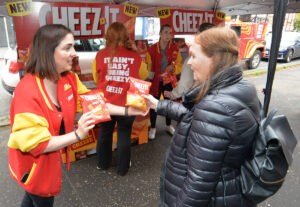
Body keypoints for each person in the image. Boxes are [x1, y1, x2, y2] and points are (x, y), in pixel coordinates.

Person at [7, 24, 146, 207]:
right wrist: (78, 135)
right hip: (34, 167)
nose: (75, 53)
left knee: (32, 198)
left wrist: (129, 111)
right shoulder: (27, 90)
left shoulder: (68, 78)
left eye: (73, 46)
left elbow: (95, 102)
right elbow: (38, 143)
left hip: (49, 161)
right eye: (67, 47)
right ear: (48, 52)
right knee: (41, 197)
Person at [144, 27, 261, 207]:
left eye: (194, 56)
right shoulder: (241, 86)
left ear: (214, 59)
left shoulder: (215, 107)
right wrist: (158, 104)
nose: (189, 63)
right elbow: (197, 117)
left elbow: (197, 185)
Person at [92, 22, 149, 176]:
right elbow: (143, 75)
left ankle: (102, 164)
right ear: (125, 36)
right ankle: (122, 169)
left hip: (106, 103)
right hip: (127, 104)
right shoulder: (135, 56)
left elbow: (95, 76)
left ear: (108, 37)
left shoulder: (100, 55)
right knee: (124, 134)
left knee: (105, 132)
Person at [146, 24, 182, 139]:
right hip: (155, 82)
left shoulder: (175, 49)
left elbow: (179, 65)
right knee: (153, 105)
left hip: (168, 82)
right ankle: (153, 127)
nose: (168, 35)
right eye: (166, 32)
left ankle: (168, 125)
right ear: (160, 34)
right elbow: (148, 66)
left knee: (168, 104)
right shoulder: (152, 49)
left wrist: (174, 69)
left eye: (170, 33)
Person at [164, 22, 216, 100]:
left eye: (197, 33)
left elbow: (185, 84)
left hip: (198, 101)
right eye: (166, 32)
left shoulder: (195, 57)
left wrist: (173, 94)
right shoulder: (223, 56)